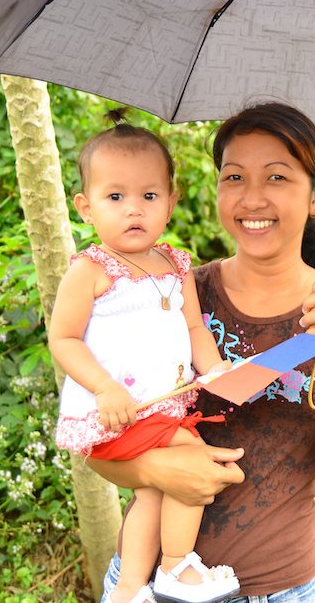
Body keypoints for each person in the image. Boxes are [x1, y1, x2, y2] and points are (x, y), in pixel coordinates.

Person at [92, 102, 315, 601]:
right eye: (234, 177)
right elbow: (98, 442)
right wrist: (155, 470)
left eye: (277, 178)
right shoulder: (174, 294)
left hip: (278, 590)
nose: (252, 198)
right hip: (145, 582)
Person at [49, 117, 240, 603]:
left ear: (171, 203)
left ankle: (131, 589)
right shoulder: (91, 269)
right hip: (118, 412)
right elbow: (64, 338)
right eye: (116, 198)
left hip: (162, 407)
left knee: (153, 493)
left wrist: (214, 368)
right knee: (193, 462)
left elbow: (194, 328)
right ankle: (176, 569)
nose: (133, 210)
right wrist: (104, 387)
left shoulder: (177, 264)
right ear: (86, 207)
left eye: (149, 197)